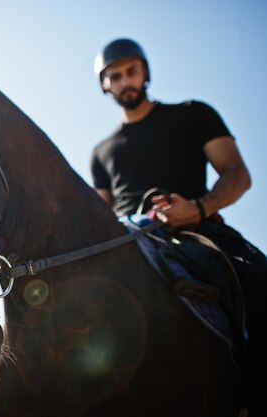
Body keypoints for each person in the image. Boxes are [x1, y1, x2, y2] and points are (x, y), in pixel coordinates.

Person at [90, 37, 266, 414]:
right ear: (106, 85)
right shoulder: (101, 153)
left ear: (145, 72)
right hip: (125, 238)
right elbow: (100, 216)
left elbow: (237, 175)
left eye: (131, 71)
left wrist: (199, 208)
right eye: (115, 76)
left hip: (197, 229)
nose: (125, 81)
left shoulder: (192, 114)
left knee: (260, 280)